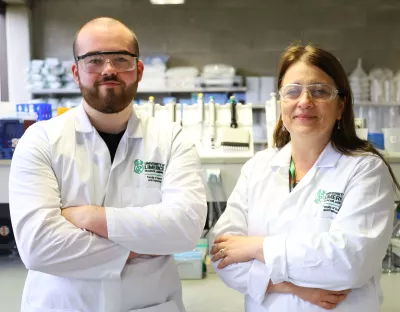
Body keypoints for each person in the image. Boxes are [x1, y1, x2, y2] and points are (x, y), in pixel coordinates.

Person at [9, 17, 207, 312]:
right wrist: (135, 247)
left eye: (121, 59)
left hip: (150, 304)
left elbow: (186, 229)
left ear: (139, 70)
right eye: (95, 60)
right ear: (76, 72)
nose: (109, 69)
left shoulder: (172, 140)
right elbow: (38, 247)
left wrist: (89, 217)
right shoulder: (40, 141)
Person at [210, 44, 399, 312]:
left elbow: (351, 262)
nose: (305, 101)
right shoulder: (258, 167)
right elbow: (222, 255)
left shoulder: (365, 170)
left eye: (320, 91)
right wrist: (288, 286)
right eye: (293, 91)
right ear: (281, 101)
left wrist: (256, 247)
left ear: (341, 105)